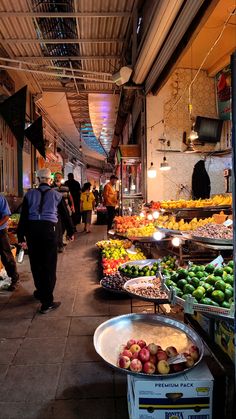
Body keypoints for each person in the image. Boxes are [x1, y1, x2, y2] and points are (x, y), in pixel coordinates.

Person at [16, 168, 74, 314]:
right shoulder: (56, 195)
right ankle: (47, 302)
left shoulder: (29, 194)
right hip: (49, 231)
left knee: (36, 264)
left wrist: (21, 236)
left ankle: (41, 291)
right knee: (49, 265)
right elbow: (65, 215)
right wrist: (71, 232)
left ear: (37, 180)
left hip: (32, 231)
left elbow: (23, 217)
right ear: (50, 180)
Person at [0, 194, 19, 291]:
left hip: (0, 232)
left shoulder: (0, 198)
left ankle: (14, 279)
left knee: (6, 256)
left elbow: (6, 216)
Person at [52, 172, 75, 252]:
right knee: (59, 226)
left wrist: (72, 206)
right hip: (56, 210)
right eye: (56, 177)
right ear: (54, 178)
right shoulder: (51, 188)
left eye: (59, 177)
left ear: (61, 178)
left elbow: (70, 196)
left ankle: (63, 239)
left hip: (66, 209)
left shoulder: (66, 187)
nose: (58, 178)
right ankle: (60, 241)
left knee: (65, 224)